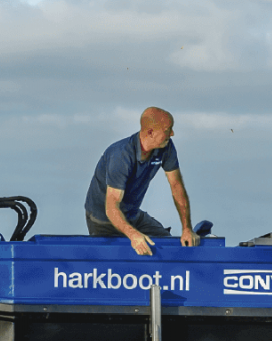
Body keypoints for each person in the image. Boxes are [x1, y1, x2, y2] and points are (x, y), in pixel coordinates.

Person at [84, 107, 199, 255]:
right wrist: (133, 235)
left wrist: (187, 228)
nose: (172, 134)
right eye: (167, 129)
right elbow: (111, 207)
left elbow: (176, 186)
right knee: (121, 259)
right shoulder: (121, 155)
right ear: (150, 132)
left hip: (132, 214)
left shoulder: (166, 146)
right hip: (104, 219)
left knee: (167, 246)